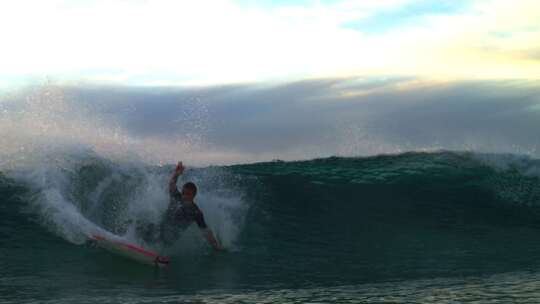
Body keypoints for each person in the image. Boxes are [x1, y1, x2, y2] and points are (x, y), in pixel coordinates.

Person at [158, 161, 223, 250]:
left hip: (169, 239)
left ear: (193, 195)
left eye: (188, 194)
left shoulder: (196, 212)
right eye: (183, 193)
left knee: (161, 238)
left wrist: (216, 247)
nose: (184, 196)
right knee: (140, 227)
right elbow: (172, 184)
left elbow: (206, 232)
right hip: (158, 230)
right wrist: (176, 174)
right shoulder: (177, 197)